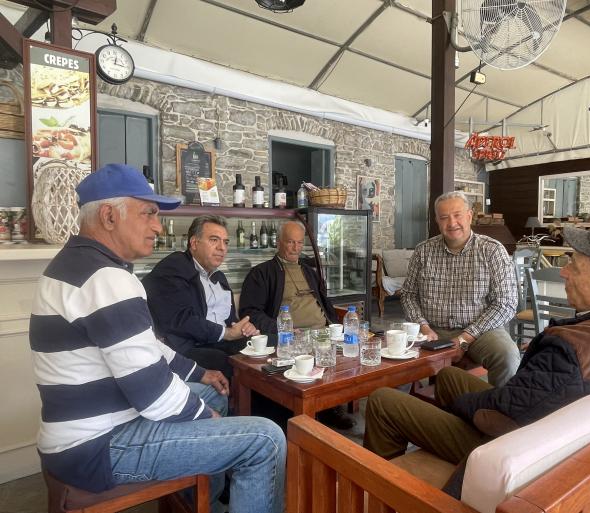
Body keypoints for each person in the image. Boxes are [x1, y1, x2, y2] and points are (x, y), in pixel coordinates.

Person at [29, 163, 285, 513]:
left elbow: (148, 347)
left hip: (78, 435)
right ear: (109, 216)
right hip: (99, 446)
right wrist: (208, 419)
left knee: (214, 389)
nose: (158, 226)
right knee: (266, 439)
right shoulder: (107, 279)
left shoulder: (74, 265)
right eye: (148, 213)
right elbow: (153, 396)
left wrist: (199, 374)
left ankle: (201, 502)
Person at [364, 222, 590, 498]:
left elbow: (503, 409)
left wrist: (461, 406)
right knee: (447, 377)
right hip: (546, 430)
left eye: (575, 266)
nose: (564, 272)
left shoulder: (570, 353)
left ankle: (379, 490)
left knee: (383, 400)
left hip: (512, 446)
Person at [239, 220, 355, 429]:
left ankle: (329, 407)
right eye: (290, 242)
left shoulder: (309, 272)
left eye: (300, 243)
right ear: (279, 242)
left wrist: (337, 326)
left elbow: (324, 303)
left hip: (324, 333)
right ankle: (311, 413)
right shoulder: (262, 273)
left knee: (354, 353)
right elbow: (250, 312)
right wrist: (281, 329)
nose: (295, 248)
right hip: (291, 338)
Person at [401, 191, 520, 387]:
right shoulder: (423, 251)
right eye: (444, 217)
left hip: (481, 331)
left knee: (507, 356)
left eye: (457, 215)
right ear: (437, 221)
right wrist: (423, 326)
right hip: (431, 329)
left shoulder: (492, 250)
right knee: (390, 353)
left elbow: (505, 303)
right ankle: (406, 402)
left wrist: (465, 338)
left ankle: (500, 404)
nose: (452, 223)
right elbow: (408, 295)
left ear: (469, 216)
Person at [143, 215, 260, 379]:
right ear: (194, 243)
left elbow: (229, 320)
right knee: (227, 362)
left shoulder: (219, 277)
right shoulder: (174, 267)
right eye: (214, 240)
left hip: (220, 342)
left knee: (264, 345)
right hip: (189, 347)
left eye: (225, 242)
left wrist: (243, 328)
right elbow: (181, 320)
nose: (222, 248)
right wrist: (227, 333)